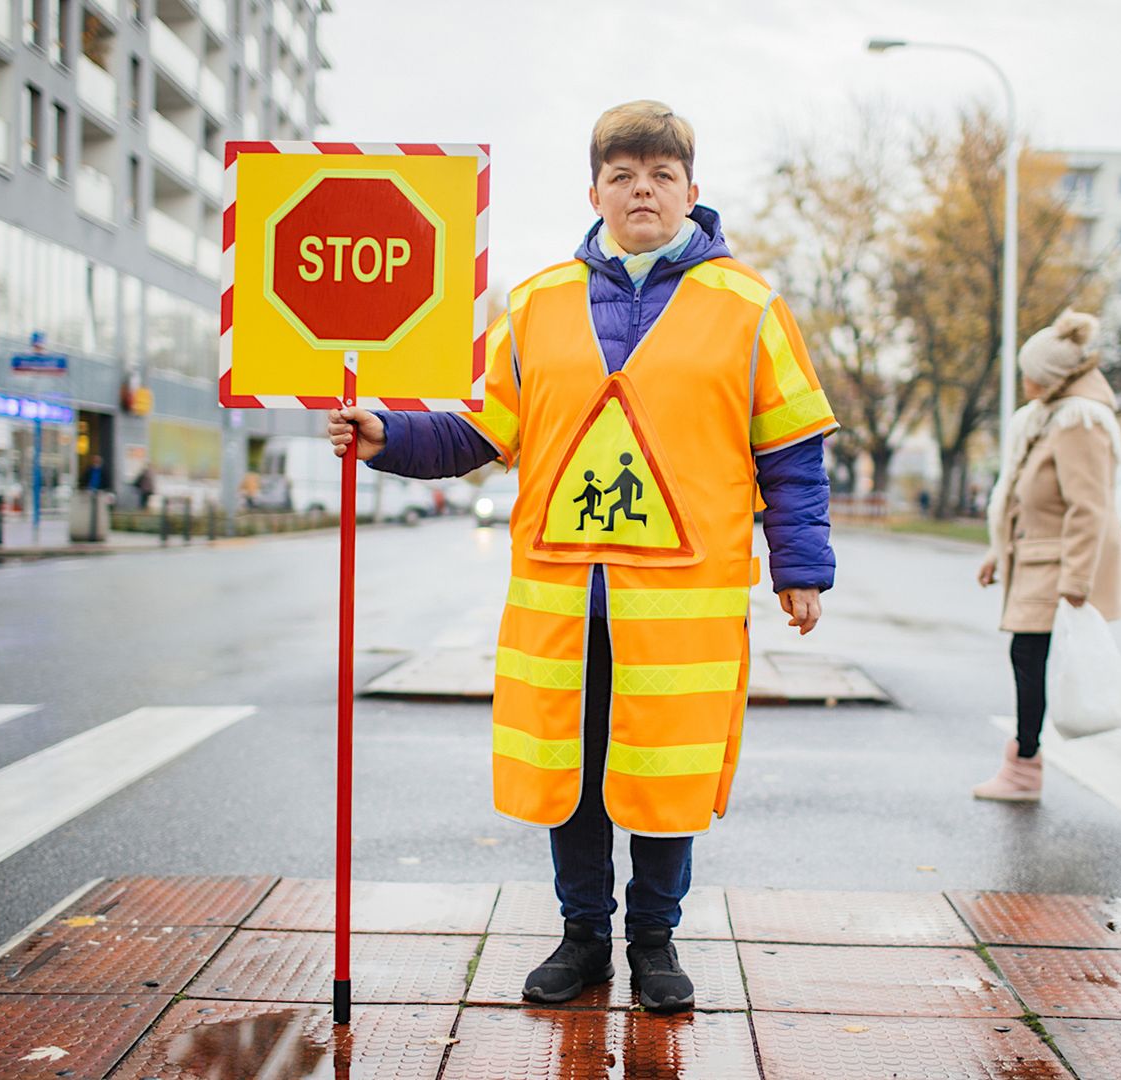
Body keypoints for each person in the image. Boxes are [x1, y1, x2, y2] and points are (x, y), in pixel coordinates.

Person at [326, 101, 838, 1014]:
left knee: (661, 778)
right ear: (594, 189)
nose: (642, 189)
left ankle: (655, 945)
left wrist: (799, 566)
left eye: (661, 175)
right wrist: (386, 435)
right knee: (574, 775)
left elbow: (791, 451)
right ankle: (581, 939)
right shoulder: (534, 304)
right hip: (564, 603)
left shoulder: (749, 307)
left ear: (691, 190)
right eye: (623, 175)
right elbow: (479, 431)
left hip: (683, 601)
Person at [973, 311, 1121, 801]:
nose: (1025, 380)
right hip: (1037, 555)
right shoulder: (1048, 418)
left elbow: (1088, 506)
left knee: (1030, 657)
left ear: (1053, 379)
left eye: (1030, 372)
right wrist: (999, 551)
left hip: (1061, 561)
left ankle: (1025, 768)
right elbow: (1023, 495)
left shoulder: (1080, 422)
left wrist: (1076, 581)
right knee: (1037, 657)